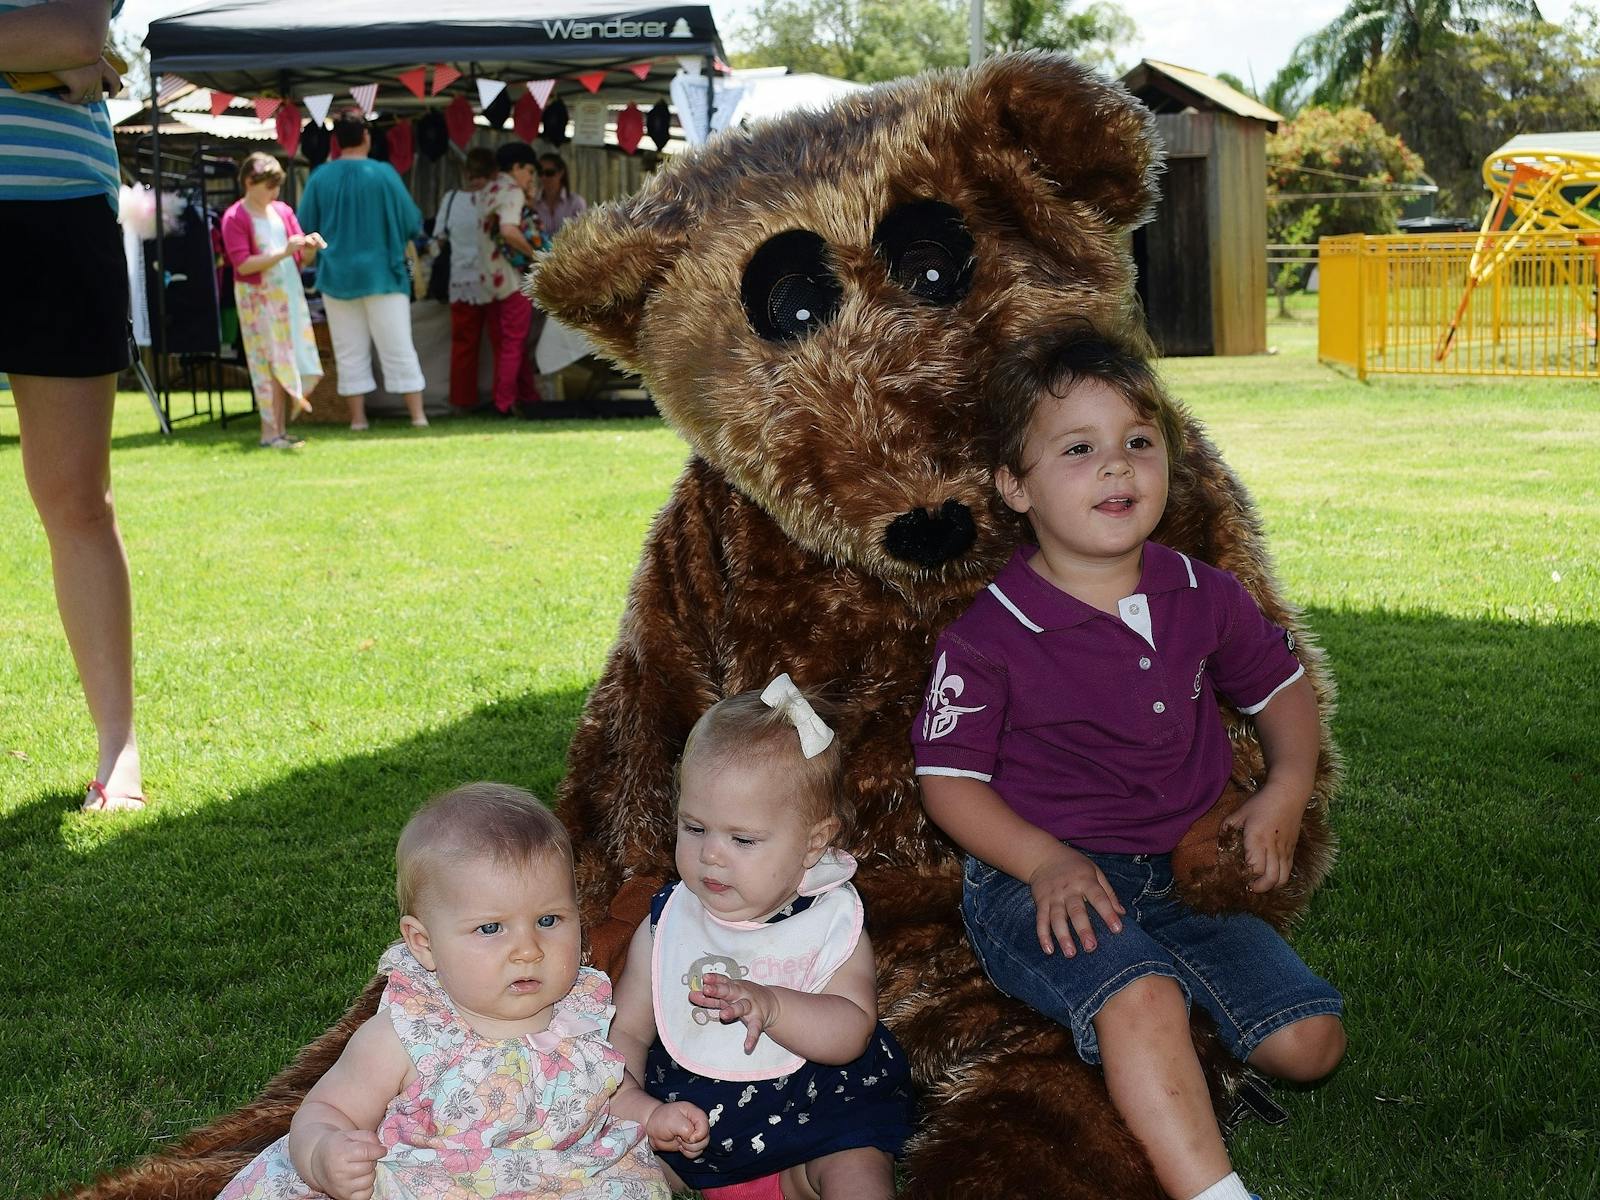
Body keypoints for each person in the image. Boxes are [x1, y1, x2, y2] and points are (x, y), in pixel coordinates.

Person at [912, 332, 1346, 1200]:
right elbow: (947, 782)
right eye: (1079, 449)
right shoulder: (990, 635)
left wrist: (1285, 789)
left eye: (1137, 443)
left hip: (1184, 872)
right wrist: (1042, 861)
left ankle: (1157, 1023)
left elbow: (1284, 695)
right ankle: (1213, 1185)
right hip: (1041, 880)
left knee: (1310, 1045)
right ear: (1014, 485)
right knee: (1138, 993)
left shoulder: (1204, 593)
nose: (1118, 469)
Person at [213, 782, 671, 1200]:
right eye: (491, 928)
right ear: (424, 944)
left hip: (561, 1179)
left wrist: (652, 1117)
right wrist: (324, 1152)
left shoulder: (581, 1019)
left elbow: (613, 1093)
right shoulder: (408, 1035)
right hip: (428, 1184)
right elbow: (327, 1107)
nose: (529, 950)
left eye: (548, 921)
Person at [611, 674, 916, 1200]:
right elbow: (628, 1032)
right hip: (692, 1134)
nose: (711, 854)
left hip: (819, 1127)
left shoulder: (827, 919)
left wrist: (773, 1007)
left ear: (812, 843)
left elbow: (850, 1033)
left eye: (742, 839)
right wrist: (637, 1109)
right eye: (694, 827)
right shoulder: (670, 921)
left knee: (857, 1174)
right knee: (601, 1172)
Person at [0, 0, 145, 812]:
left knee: (75, 499)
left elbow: (74, 33)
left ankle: (118, 747)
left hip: (56, 206)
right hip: (56, 202)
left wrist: (67, 56)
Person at [296, 114, 428, 431]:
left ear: (335, 142)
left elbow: (303, 226)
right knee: (398, 346)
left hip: (338, 276)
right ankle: (418, 417)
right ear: (366, 138)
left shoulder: (320, 177)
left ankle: (358, 420)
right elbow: (412, 222)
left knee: (348, 350)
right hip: (383, 274)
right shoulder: (385, 174)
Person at [220, 152, 325, 448]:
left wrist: (309, 248)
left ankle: (279, 430)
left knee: (288, 359)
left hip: (288, 296)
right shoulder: (235, 217)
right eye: (269, 185)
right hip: (257, 301)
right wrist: (282, 252)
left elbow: (300, 256)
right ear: (249, 182)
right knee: (268, 363)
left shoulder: (282, 211)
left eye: (277, 186)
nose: (274, 192)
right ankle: (270, 432)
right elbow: (242, 265)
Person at [473, 141, 542, 417]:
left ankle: (528, 397)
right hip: (511, 278)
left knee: (505, 342)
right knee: (514, 341)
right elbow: (510, 231)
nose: (530, 178)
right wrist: (536, 254)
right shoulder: (512, 191)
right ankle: (503, 404)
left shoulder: (487, 190)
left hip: (487, 277)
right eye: (529, 171)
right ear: (516, 167)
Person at [437, 147, 495, 411]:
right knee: (502, 344)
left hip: (461, 278)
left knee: (463, 345)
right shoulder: (497, 197)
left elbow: (439, 237)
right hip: (495, 279)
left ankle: (462, 400)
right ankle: (502, 397)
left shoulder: (451, 199)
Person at [532, 152, 586, 241]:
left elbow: (581, 235)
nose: (544, 177)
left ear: (561, 173)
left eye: (549, 173)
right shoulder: (533, 202)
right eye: (540, 173)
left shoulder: (576, 202)